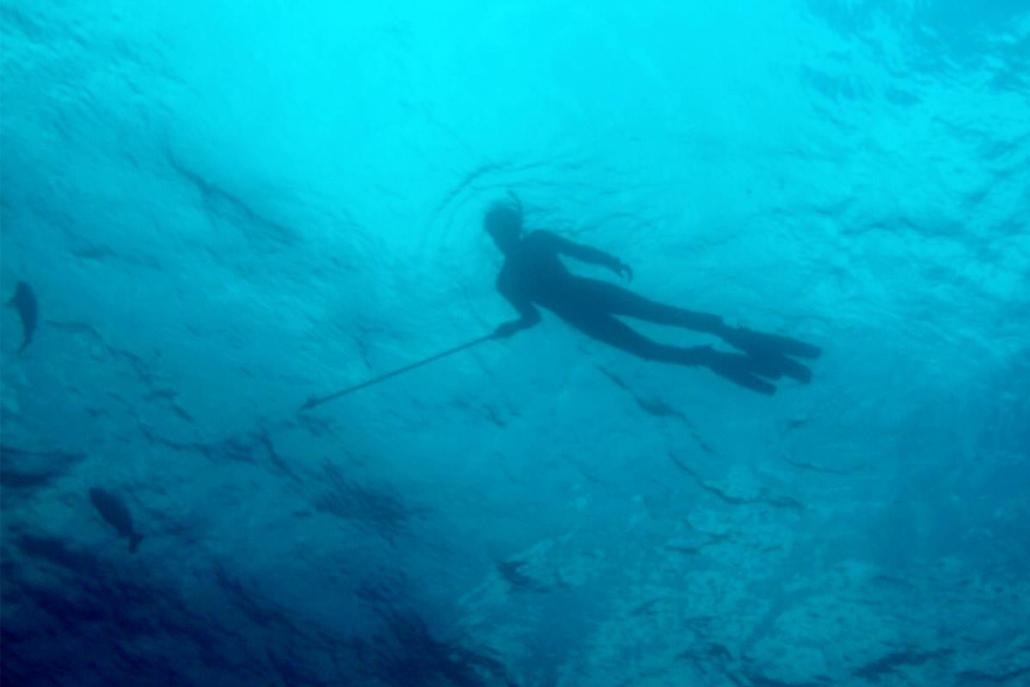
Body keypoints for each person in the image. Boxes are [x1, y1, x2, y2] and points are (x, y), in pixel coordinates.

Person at [485, 197, 821, 395]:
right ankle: (717, 349)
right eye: (500, 229)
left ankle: (723, 346)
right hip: (590, 303)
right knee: (655, 336)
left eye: (502, 228)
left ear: (507, 230)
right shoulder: (516, 268)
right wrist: (513, 326)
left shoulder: (513, 272)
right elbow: (539, 307)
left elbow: (574, 259)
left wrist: (610, 260)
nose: (502, 235)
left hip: (587, 306)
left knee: (660, 329)